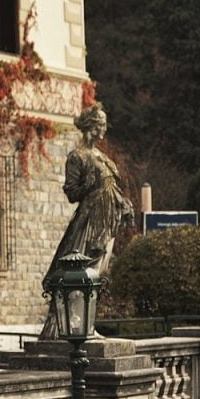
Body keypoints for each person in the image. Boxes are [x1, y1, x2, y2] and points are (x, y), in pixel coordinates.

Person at [39, 103, 133, 339]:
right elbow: (72, 193)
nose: (103, 129)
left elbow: (109, 186)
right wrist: (88, 185)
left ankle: (86, 326)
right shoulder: (77, 156)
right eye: (100, 123)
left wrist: (123, 203)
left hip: (107, 221)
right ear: (90, 126)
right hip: (90, 222)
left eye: (104, 124)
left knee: (97, 273)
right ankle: (66, 328)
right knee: (80, 271)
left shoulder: (101, 156)